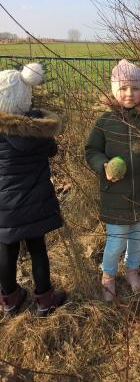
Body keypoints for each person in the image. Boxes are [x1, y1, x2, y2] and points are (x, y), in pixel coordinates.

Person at [85, 59, 140, 301]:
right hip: (116, 194)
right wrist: (103, 166)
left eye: (134, 88)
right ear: (115, 91)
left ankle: (132, 271)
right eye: (123, 88)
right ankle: (108, 276)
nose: (129, 93)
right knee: (116, 241)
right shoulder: (105, 121)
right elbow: (91, 150)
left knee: (138, 237)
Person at [0, 62, 66, 317]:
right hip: (35, 203)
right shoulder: (38, 133)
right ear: (26, 97)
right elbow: (52, 151)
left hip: (4, 206)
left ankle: (10, 300)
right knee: (38, 249)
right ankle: (45, 301)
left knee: (6, 249)